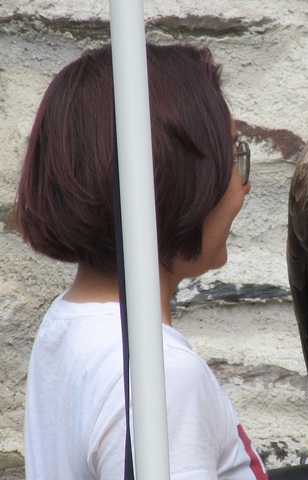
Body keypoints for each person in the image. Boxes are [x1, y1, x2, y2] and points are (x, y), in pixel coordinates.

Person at [16, 43, 266, 480]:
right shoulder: (158, 375)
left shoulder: (69, 325)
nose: (241, 187)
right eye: (230, 159)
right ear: (178, 179)